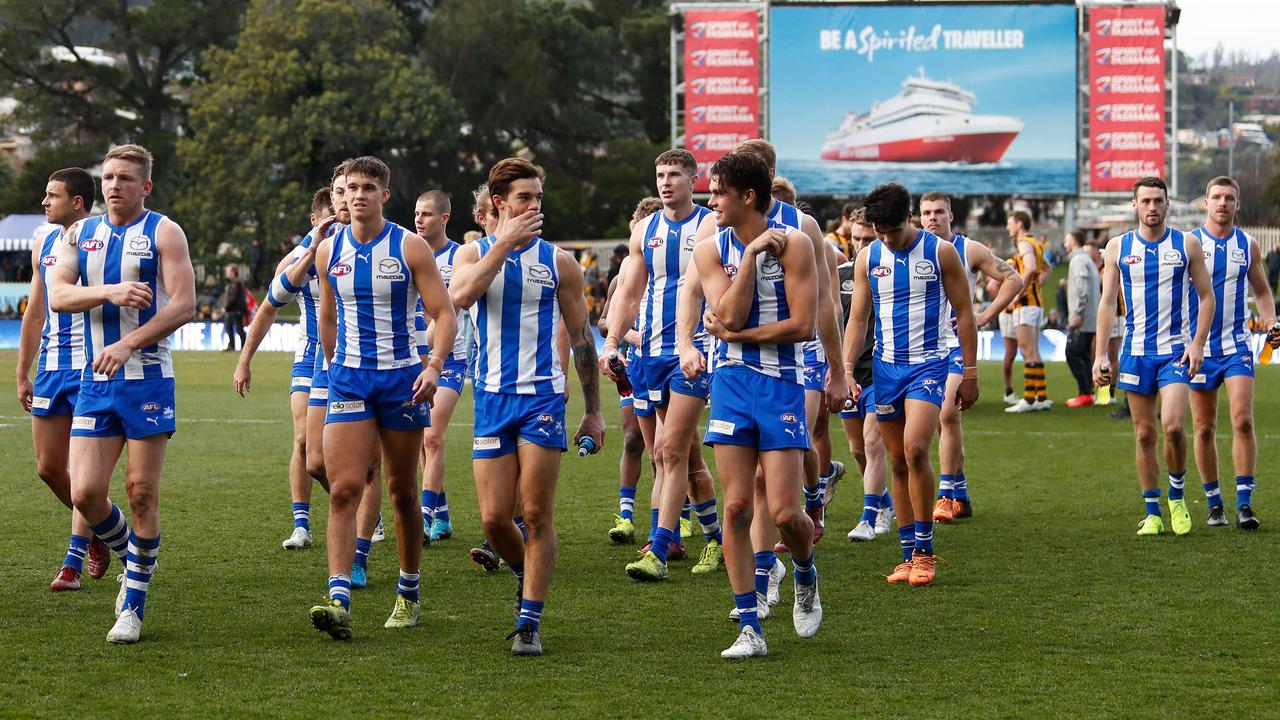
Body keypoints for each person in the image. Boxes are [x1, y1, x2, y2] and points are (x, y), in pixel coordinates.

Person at [449, 157, 605, 656]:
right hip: (492, 397)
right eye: (524, 198)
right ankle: (523, 573)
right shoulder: (472, 253)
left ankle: (530, 621)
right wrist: (503, 245)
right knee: (496, 521)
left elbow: (582, 340)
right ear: (499, 203)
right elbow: (461, 297)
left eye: (538, 198)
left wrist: (593, 410)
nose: (535, 206)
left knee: (535, 514)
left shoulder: (559, 261)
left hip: (542, 398)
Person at [48, 144, 197, 643]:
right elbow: (58, 295)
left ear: (145, 186)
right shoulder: (80, 233)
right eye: (109, 177)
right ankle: (135, 555)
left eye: (126, 179)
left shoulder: (165, 232)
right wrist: (109, 293)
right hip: (97, 378)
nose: (114, 185)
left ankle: (132, 604)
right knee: (86, 493)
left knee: (140, 492)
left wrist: (129, 340)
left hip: (149, 379)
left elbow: (185, 304)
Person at [308, 156, 457, 639]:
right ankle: (338, 598)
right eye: (351, 187)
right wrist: (334, 366)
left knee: (401, 492)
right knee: (344, 486)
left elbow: (444, 313)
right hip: (349, 381)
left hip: (401, 381)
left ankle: (408, 591)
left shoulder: (410, 247)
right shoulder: (328, 251)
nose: (358, 195)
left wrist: (433, 365)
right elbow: (327, 317)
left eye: (368, 187)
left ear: (384, 195)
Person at [692, 151, 822, 659]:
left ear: (747, 196)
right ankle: (750, 625)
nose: (711, 201)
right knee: (739, 505)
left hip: (781, 384)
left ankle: (805, 572)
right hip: (729, 382)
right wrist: (748, 259)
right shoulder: (710, 250)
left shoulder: (798, 245)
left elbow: (802, 327)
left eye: (718, 192)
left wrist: (737, 335)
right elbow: (726, 311)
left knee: (788, 511)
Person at [843, 182, 979, 588]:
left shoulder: (940, 252)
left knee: (916, 448)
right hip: (885, 371)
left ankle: (925, 551)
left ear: (910, 218)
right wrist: (847, 368)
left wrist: (970, 372)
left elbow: (966, 313)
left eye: (892, 230)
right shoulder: (868, 258)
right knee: (896, 462)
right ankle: (906, 554)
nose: (886, 238)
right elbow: (858, 319)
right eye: (879, 231)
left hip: (930, 366)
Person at [604, 149, 723, 581]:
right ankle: (713, 540)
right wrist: (613, 341)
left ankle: (658, 546)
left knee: (671, 450)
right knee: (671, 456)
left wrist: (705, 334)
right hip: (649, 356)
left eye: (675, 174)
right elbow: (629, 293)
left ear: (695, 180)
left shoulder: (709, 224)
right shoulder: (644, 229)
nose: (666, 181)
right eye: (660, 174)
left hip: (693, 355)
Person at [1093, 176, 1215, 537]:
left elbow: (1207, 298)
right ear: (1135, 205)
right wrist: (1101, 354)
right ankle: (1153, 511)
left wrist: (1197, 344)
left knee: (1174, 426)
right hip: (1135, 353)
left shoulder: (1187, 243)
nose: (1152, 207)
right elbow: (1106, 304)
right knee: (1144, 434)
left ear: (1167, 204)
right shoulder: (1117, 247)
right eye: (1145, 201)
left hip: (1175, 353)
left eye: (1158, 201)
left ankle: (1177, 499)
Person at [16, 167, 110, 591]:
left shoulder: (104, 237)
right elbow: (36, 310)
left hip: (92, 367)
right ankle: (102, 524)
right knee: (49, 469)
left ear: (77, 201)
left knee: (80, 466)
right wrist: (23, 370)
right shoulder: (43, 241)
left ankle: (74, 558)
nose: (44, 201)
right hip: (51, 369)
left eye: (52, 195)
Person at [234, 187, 334, 549]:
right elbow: (268, 309)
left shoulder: (357, 251)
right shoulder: (295, 259)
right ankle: (302, 525)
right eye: (329, 216)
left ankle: (359, 502)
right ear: (315, 219)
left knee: (343, 450)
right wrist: (245, 359)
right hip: (310, 353)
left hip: (350, 354)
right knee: (305, 440)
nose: (337, 223)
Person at [918, 192, 1022, 523]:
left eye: (939, 212)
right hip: (921, 348)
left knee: (948, 413)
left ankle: (946, 495)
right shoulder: (913, 250)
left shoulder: (969, 249)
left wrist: (985, 314)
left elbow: (1013, 278)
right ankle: (960, 491)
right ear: (918, 218)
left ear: (951, 216)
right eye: (926, 213)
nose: (932, 218)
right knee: (935, 422)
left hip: (957, 345)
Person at [1188, 176, 1277, 529]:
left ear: (1237, 205)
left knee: (1242, 419)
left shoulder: (1248, 245)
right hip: (1198, 348)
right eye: (1216, 197)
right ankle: (1214, 503)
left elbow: (1264, 292)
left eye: (1229, 198)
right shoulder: (1189, 243)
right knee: (1204, 427)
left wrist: (1270, 322)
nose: (1222, 203)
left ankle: (1244, 503)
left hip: (1237, 344)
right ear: (1206, 203)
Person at [599, 196, 662, 545]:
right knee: (633, 438)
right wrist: (634, 338)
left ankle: (675, 517)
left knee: (667, 449)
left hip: (666, 363)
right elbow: (606, 320)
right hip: (634, 367)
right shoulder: (626, 271)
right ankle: (625, 515)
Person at [414, 189, 469, 543]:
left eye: (427, 214)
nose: (419, 220)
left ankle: (423, 517)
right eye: (416, 214)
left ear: (445, 218)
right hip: (412, 360)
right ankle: (443, 516)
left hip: (451, 359)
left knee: (433, 435)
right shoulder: (406, 253)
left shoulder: (459, 258)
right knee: (422, 441)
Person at [838, 208, 895, 542]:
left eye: (868, 239)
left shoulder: (890, 273)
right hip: (849, 375)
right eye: (856, 238)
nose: (861, 245)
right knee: (857, 450)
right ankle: (885, 503)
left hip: (880, 372)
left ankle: (867, 517)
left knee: (873, 444)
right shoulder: (840, 273)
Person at [1005, 210, 1050, 412]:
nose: (1008, 227)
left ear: (1020, 224)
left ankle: (1029, 400)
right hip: (1036, 302)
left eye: (1010, 223)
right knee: (1035, 351)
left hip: (1026, 305)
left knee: (1027, 351)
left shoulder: (1023, 242)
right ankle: (1041, 397)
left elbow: (1030, 268)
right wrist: (1035, 287)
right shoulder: (1036, 243)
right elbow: (1046, 268)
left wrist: (1017, 294)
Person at [1063, 230, 1100, 407]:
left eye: (1067, 240)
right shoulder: (1087, 260)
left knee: (1072, 353)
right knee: (1084, 355)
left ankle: (1085, 392)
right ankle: (1087, 393)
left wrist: (1077, 313)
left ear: (1073, 241)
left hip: (1083, 318)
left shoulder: (1078, 260)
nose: (1065, 244)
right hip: (1091, 317)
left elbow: (1082, 289)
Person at [221, 264, 247, 351]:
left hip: (236, 309)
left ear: (233, 272)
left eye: (228, 271)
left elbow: (234, 297)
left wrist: (226, 307)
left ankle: (244, 346)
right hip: (232, 309)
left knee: (239, 329)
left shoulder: (236, 282)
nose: (226, 272)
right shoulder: (233, 282)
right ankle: (231, 345)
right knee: (229, 327)